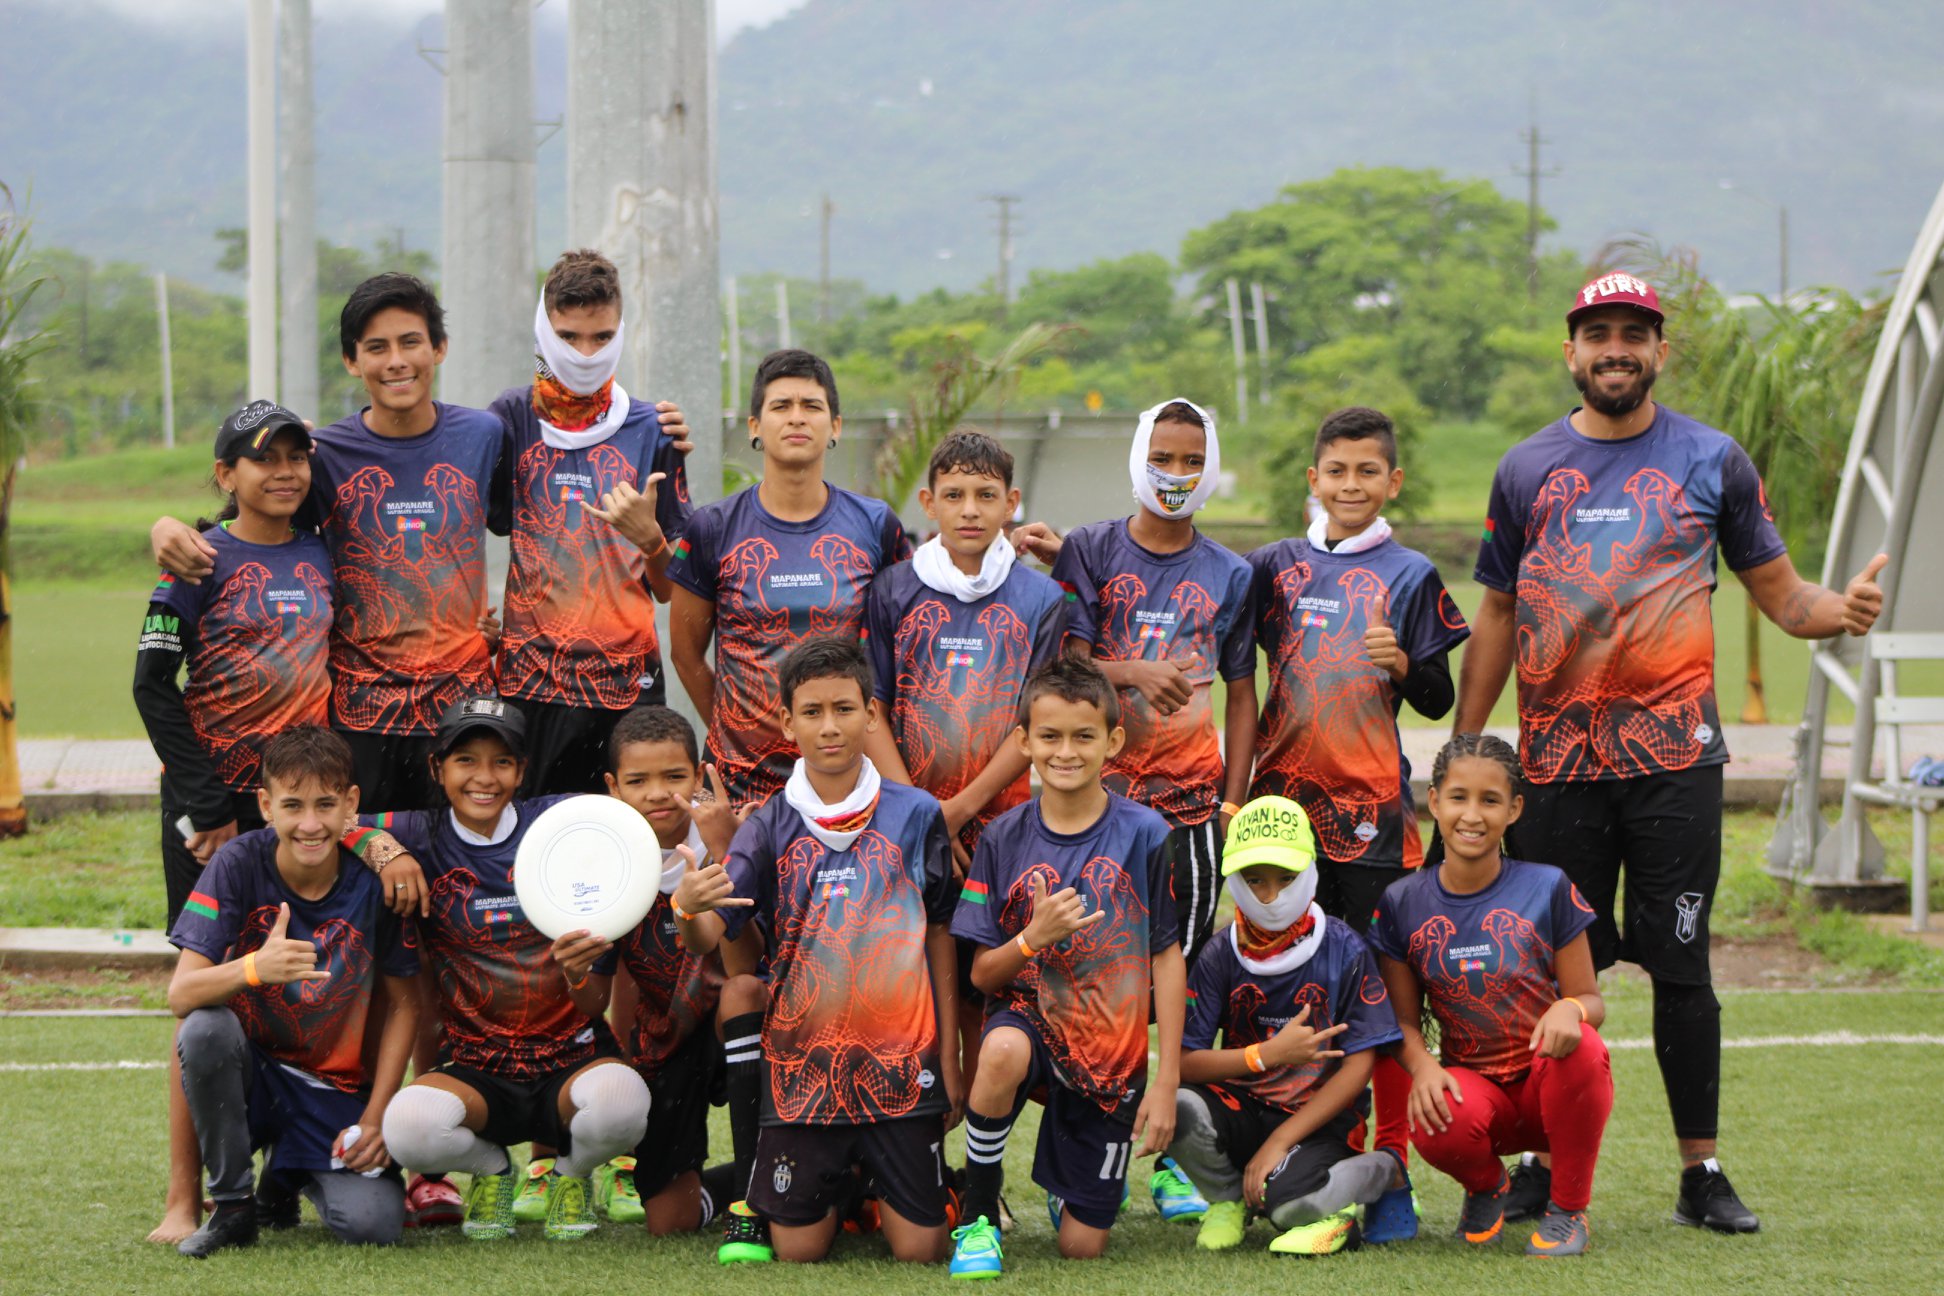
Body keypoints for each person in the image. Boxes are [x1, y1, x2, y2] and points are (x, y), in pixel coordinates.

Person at [1454, 274, 1889, 1232]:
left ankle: (1702, 1174)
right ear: (1571, 352)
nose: (1616, 348)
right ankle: (1536, 1164)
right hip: (1556, 770)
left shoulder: (1712, 459)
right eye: (1598, 333)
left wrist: (1842, 611)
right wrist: (1467, 747)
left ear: (1659, 350)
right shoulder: (1526, 468)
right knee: (1544, 972)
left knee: (1683, 968)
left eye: (1633, 333)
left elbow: (1785, 598)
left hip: (1675, 765)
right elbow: (1496, 612)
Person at [147, 272, 695, 811]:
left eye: (411, 342)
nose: (396, 361)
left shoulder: (486, 433)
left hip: (464, 715)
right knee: (368, 860)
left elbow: (561, 490)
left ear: (439, 349)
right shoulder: (326, 454)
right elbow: (259, 514)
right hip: (360, 717)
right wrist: (169, 528)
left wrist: (653, 431)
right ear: (351, 360)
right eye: (377, 347)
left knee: (479, 854)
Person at [1244, 404, 1469, 1224]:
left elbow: (1438, 699)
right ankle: (1306, 1158)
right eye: (1336, 471)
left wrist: (1403, 662)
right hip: (1280, 812)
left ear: (1392, 481)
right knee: (1290, 988)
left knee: (1379, 996)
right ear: (1314, 479)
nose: (1350, 484)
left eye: (1367, 471)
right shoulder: (1274, 567)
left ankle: (1391, 1173)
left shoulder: (1410, 574)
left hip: (1373, 815)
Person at [670, 637, 961, 1265]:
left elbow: (940, 932)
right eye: (812, 712)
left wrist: (950, 1054)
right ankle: (849, 1188)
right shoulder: (769, 825)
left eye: (844, 709)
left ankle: (904, 1187)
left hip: (901, 1070)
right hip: (802, 1076)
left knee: (921, 1250)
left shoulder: (917, 814)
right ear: (787, 722)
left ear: (871, 714)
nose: (829, 727)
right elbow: (713, 936)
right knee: (798, 1251)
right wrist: (686, 908)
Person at [135, 401, 334, 1245]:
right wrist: (207, 807)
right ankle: (185, 1197)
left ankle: (290, 1166)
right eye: (263, 459)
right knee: (203, 1003)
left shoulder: (325, 551)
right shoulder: (197, 561)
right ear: (227, 475)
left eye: (296, 457)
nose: (283, 472)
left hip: (305, 815)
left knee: (308, 986)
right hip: (212, 817)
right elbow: (152, 685)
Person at [375, 696, 651, 1242]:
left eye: (501, 762)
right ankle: (494, 1171)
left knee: (623, 1107)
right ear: (437, 768)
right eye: (466, 761)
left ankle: (570, 1175)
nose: (485, 778)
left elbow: (638, 813)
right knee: (407, 1130)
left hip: (572, 1061)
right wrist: (385, 850)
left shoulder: (561, 822)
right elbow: (333, 821)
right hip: (476, 1070)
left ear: (522, 771)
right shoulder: (418, 832)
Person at [947, 656, 1186, 1279]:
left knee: (1082, 1247)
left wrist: (1165, 1081)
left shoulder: (1147, 834)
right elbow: (981, 977)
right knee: (1000, 1050)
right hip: (1028, 1019)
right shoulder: (1001, 838)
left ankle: (1068, 1189)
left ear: (1113, 741)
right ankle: (979, 1215)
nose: (1066, 752)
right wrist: (1033, 938)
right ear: (1024, 741)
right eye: (1049, 736)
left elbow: (1166, 954)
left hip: (1110, 1048)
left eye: (1084, 736)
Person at [165, 726, 420, 1257]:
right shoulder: (237, 862)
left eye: (326, 804)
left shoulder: (376, 879)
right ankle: (234, 1205)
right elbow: (181, 994)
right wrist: (254, 968)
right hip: (254, 1078)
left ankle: (282, 1178)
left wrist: (376, 1117)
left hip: (333, 1088)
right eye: (292, 805)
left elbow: (403, 1005)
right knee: (205, 1028)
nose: (310, 824)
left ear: (351, 803)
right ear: (266, 805)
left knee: (374, 1224)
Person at [1020, 398, 1254, 968]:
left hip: (1192, 808)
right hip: (1097, 799)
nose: (1176, 474)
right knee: (1089, 960)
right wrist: (1133, 672)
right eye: (1162, 458)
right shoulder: (1089, 549)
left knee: (1178, 962)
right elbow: (1065, 671)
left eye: (1192, 461)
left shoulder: (1232, 573)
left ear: (1211, 468)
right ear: (1137, 460)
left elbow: (1243, 694)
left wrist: (1230, 806)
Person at [1368, 733, 1612, 1257]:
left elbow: (1591, 1000)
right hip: (1479, 1098)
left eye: (1490, 800)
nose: (1472, 815)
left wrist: (1569, 1009)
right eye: (1459, 797)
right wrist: (1424, 1069)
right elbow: (1402, 1023)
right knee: (1432, 1112)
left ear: (1514, 809)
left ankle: (1568, 1210)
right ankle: (1487, 1187)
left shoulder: (1548, 887)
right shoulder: (1402, 902)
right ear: (1434, 802)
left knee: (1586, 1048)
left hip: (1547, 1086)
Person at [668, 348, 910, 811]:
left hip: (847, 781)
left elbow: (896, 651)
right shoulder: (713, 528)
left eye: (811, 406)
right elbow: (685, 653)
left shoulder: (876, 525)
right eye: (780, 406)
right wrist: (733, 733)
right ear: (755, 427)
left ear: (835, 426)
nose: (797, 417)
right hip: (742, 787)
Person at [491, 250, 693, 796]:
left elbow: (670, 589)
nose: (585, 354)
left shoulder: (653, 428)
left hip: (628, 686)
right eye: (568, 337)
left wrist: (651, 541)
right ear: (544, 329)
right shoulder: (509, 420)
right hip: (531, 685)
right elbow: (456, 527)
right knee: (534, 831)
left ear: (621, 330)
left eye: (601, 337)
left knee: (636, 829)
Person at [1170, 795, 1407, 1257]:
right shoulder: (1219, 953)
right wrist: (1267, 1055)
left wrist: (1280, 1139)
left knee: (1290, 1209)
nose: (1269, 895)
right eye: (1254, 879)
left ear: (1311, 870)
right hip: (1243, 1110)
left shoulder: (1345, 948)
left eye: (1285, 878)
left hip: (1322, 1122)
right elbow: (1183, 1062)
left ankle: (1384, 1170)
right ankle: (1228, 1198)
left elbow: (1359, 1067)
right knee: (1176, 1104)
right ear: (1234, 878)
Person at [864, 428, 1067, 864]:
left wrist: (956, 811)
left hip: (1003, 825)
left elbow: (1037, 720)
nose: (970, 510)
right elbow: (871, 710)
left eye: (986, 495)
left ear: (1010, 503)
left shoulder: (1042, 599)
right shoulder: (892, 590)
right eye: (954, 495)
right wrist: (920, 813)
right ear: (929, 502)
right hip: (901, 825)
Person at [593, 705, 746, 1233]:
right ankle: (731, 1191)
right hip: (667, 1040)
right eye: (638, 781)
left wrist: (728, 847)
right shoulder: (604, 862)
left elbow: (750, 959)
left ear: (699, 775)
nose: (658, 793)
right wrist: (574, 970)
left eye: (674, 777)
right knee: (669, 1222)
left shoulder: (738, 832)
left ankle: (782, 1179)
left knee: (739, 1002)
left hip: (746, 1028)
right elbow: (598, 995)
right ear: (614, 787)